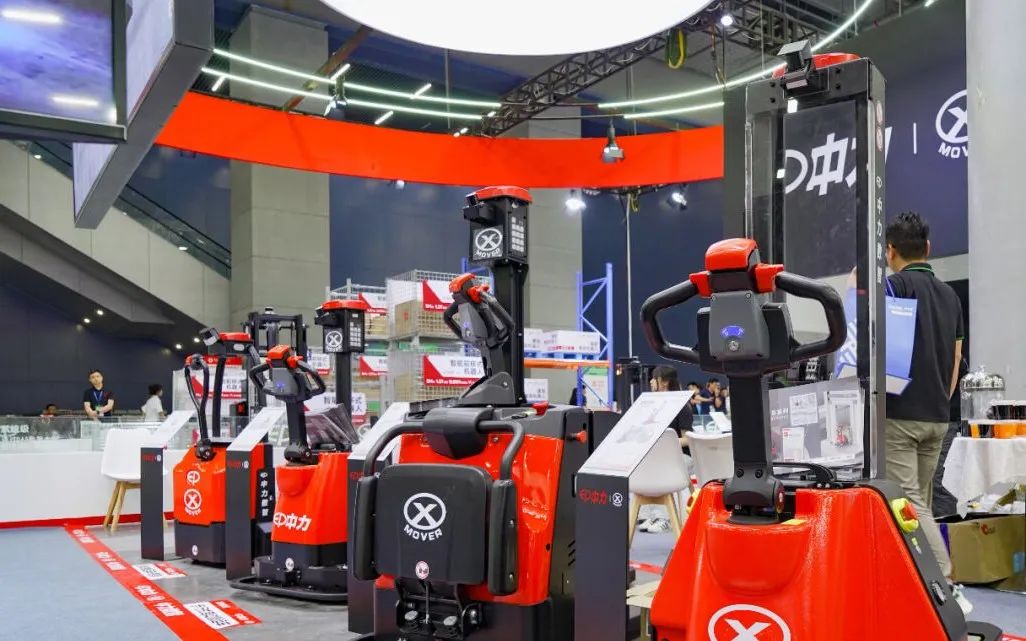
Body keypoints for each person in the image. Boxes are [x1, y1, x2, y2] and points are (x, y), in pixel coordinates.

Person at [883, 211, 969, 613]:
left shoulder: (893, 286)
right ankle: (920, 589)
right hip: (937, 415)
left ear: (890, 251)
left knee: (909, 502)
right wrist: (941, 401)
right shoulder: (951, 296)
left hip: (899, 415)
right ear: (928, 248)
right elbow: (956, 359)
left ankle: (947, 583)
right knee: (922, 504)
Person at [637, 366, 694, 534]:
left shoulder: (681, 405)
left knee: (660, 468)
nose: (651, 381)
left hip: (681, 457)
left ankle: (664, 519)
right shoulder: (655, 406)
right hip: (661, 457)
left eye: (654, 378)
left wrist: (667, 444)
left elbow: (688, 438)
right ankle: (651, 515)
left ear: (664, 382)